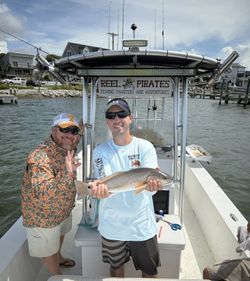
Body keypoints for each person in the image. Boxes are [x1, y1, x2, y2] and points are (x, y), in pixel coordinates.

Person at [90, 98, 163, 278]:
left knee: (149, 271)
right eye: (111, 115)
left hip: (142, 225)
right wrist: (99, 192)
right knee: (116, 269)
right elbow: (105, 181)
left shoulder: (145, 147)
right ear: (107, 121)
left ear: (130, 118)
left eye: (121, 114)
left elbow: (151, 187)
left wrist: (153, 187)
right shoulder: (100, 151)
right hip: (112, 225)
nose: (117, 119)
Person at [21, 113, 82, 275]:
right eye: (65, 130)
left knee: (62, 234)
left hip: (63, 210)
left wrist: (82, 126)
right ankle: (57, 275)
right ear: (54, 130)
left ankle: (60, 257)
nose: (70, 135)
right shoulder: (39, 157)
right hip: (44, 217)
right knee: (48, 249)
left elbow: (75, 138)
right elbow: (43, 193)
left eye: (74, 131)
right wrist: (68, 173)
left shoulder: (67, 145)